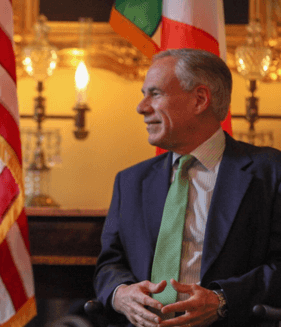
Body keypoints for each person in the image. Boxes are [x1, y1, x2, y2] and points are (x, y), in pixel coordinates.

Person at [94, 48, 281, 327]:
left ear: (200, 99)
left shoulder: (269, 171)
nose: (141, 107)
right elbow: (110, 264)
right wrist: (120, 293)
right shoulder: (130, 182)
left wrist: (222, 300)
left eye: (155, 94)